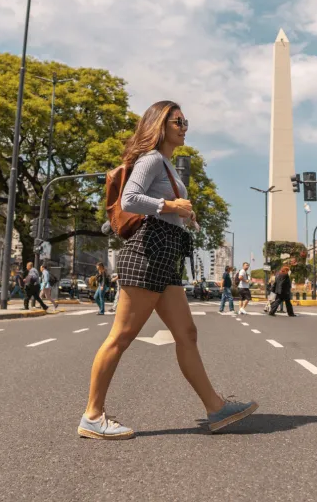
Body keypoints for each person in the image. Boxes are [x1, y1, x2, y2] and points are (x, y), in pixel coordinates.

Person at [79, 100, 256, 440]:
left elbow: (163, 207)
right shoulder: (150, 160)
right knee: (121, 337)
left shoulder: (167, 166)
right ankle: (92, 416)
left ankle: (215, 407)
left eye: (185, 120)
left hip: (166, 254)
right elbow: (130, 199)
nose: (184, 126)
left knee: (187, 334)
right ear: (160, 125)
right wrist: (170, 205)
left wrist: (184, 215)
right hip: (148, 252)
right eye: (178, 121)